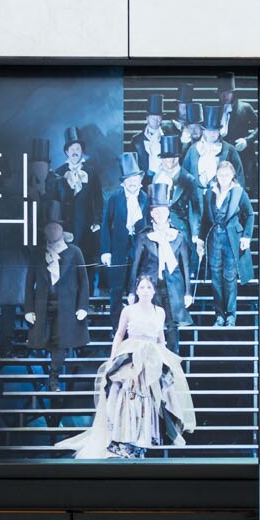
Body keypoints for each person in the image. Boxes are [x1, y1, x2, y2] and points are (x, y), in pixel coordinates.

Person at [55, 275, 196, 460]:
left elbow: (161, 337)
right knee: (128, 396)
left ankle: (142, 440)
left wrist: (164, 357)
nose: (145, 290)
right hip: (131, 354)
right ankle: (124, 439)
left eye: (148, 287)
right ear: (136, 291)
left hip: (152, 357)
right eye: (142, 287)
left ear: (153, 291)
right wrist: (113, 357)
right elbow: (120, 334)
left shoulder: (160, 311)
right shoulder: (128, 310)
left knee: (149, 398)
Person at [23, 218, 89, 427]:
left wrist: (82, 306)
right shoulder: (38, 253)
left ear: (62, 230)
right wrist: (29, 309)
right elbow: (29, 282)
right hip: (44, 303)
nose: (53, 231)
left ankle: (54, 377)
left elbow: (84, 280)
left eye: (56, 227)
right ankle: (49, 376)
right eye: (49, 227)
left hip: (67, 304)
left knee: (60, 341)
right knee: (48, 339)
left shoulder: (74, 251)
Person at [127, 182, 193, 356]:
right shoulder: (144, 236)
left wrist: (188, 292)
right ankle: (152, 362)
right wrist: (132, 291)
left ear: (168, 212)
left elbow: (185, 265)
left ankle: (171, 366)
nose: (160, 214)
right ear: (151, 214)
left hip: (173, 287)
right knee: (151, 326)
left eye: (163, 211)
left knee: (172, 327)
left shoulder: (177, 236)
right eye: (156, 211)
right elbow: (136, 264)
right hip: (151, 287)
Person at [201, 155, 253, 327]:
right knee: (216, 278)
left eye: (226, 174)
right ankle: (219, 316)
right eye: (220, 174)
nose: (223, 178)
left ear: (232, 175)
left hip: (232, 240)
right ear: (216, 175)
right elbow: (205, 219)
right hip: (214, 239)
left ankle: (231, 315)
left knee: (229, 277)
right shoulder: (210, 192)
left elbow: (250, 215)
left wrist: (246, 236)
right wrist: (201, 240)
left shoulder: (239, 192)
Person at [47, 130, 102, 277]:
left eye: (78, 148)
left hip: (87, 224)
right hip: (66, 226)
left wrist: (97, 220)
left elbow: (98, 199)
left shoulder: (91, 172)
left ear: (82, 151)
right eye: (72, 149)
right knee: (67, 261)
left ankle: (87, 294)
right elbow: (54, 202)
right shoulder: (58, 173)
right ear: (66, 152)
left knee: (86, 261)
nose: (75, 152)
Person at [98, 152, 147, 310]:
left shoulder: (146, 199)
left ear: (140, 180)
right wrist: (106, 251)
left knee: (139, 289)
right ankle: (116, 330)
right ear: (123, 182)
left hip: (140, 251)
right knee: (116, 290)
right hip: (118, 250)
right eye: (128, 179)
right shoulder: (115, 198)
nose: (132, 182)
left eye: (135, 178)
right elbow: (105, 225)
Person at [217, 75, 259, 194]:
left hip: (242, 155)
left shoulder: (244, 107)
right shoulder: (216, 109)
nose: (224, 96)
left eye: (227, 93)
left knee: (242, 187)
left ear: (233, 93)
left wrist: (247, 140)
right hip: (223, 155)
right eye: (221, 93)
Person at [185, 105, 241, 193]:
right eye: (209, 130)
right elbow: (185, 174)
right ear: (203, 131)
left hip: (221, 196)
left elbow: (239, 175)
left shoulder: (229, 149)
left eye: (215, 130)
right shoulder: (194, 149)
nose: (212, 134)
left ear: (219, 131)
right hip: (196, 198)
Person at [129, 92, 170, 179]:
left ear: (162, 119)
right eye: (153, 117)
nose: (156, 120)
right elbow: (132, 165)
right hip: (144, 182)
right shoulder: (137, 141)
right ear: (147, 118)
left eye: (158, 117)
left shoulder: (168, 137)